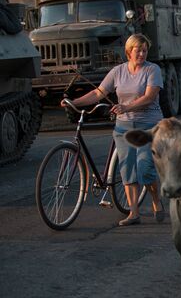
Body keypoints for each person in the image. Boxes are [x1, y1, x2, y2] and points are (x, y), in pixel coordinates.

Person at [61, 33, 165, 226]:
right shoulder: (117, 71)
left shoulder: (153, 70)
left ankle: (156, 201)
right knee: (127, 169)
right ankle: (134, 213)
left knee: (145, 169)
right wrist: (74, 102)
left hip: (149, 125)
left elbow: (150, 97)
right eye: (138, 50)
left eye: (144, 50)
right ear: (128, 51)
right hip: (124, 126)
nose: (142, 54)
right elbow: (99, 92)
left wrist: (126, 106)